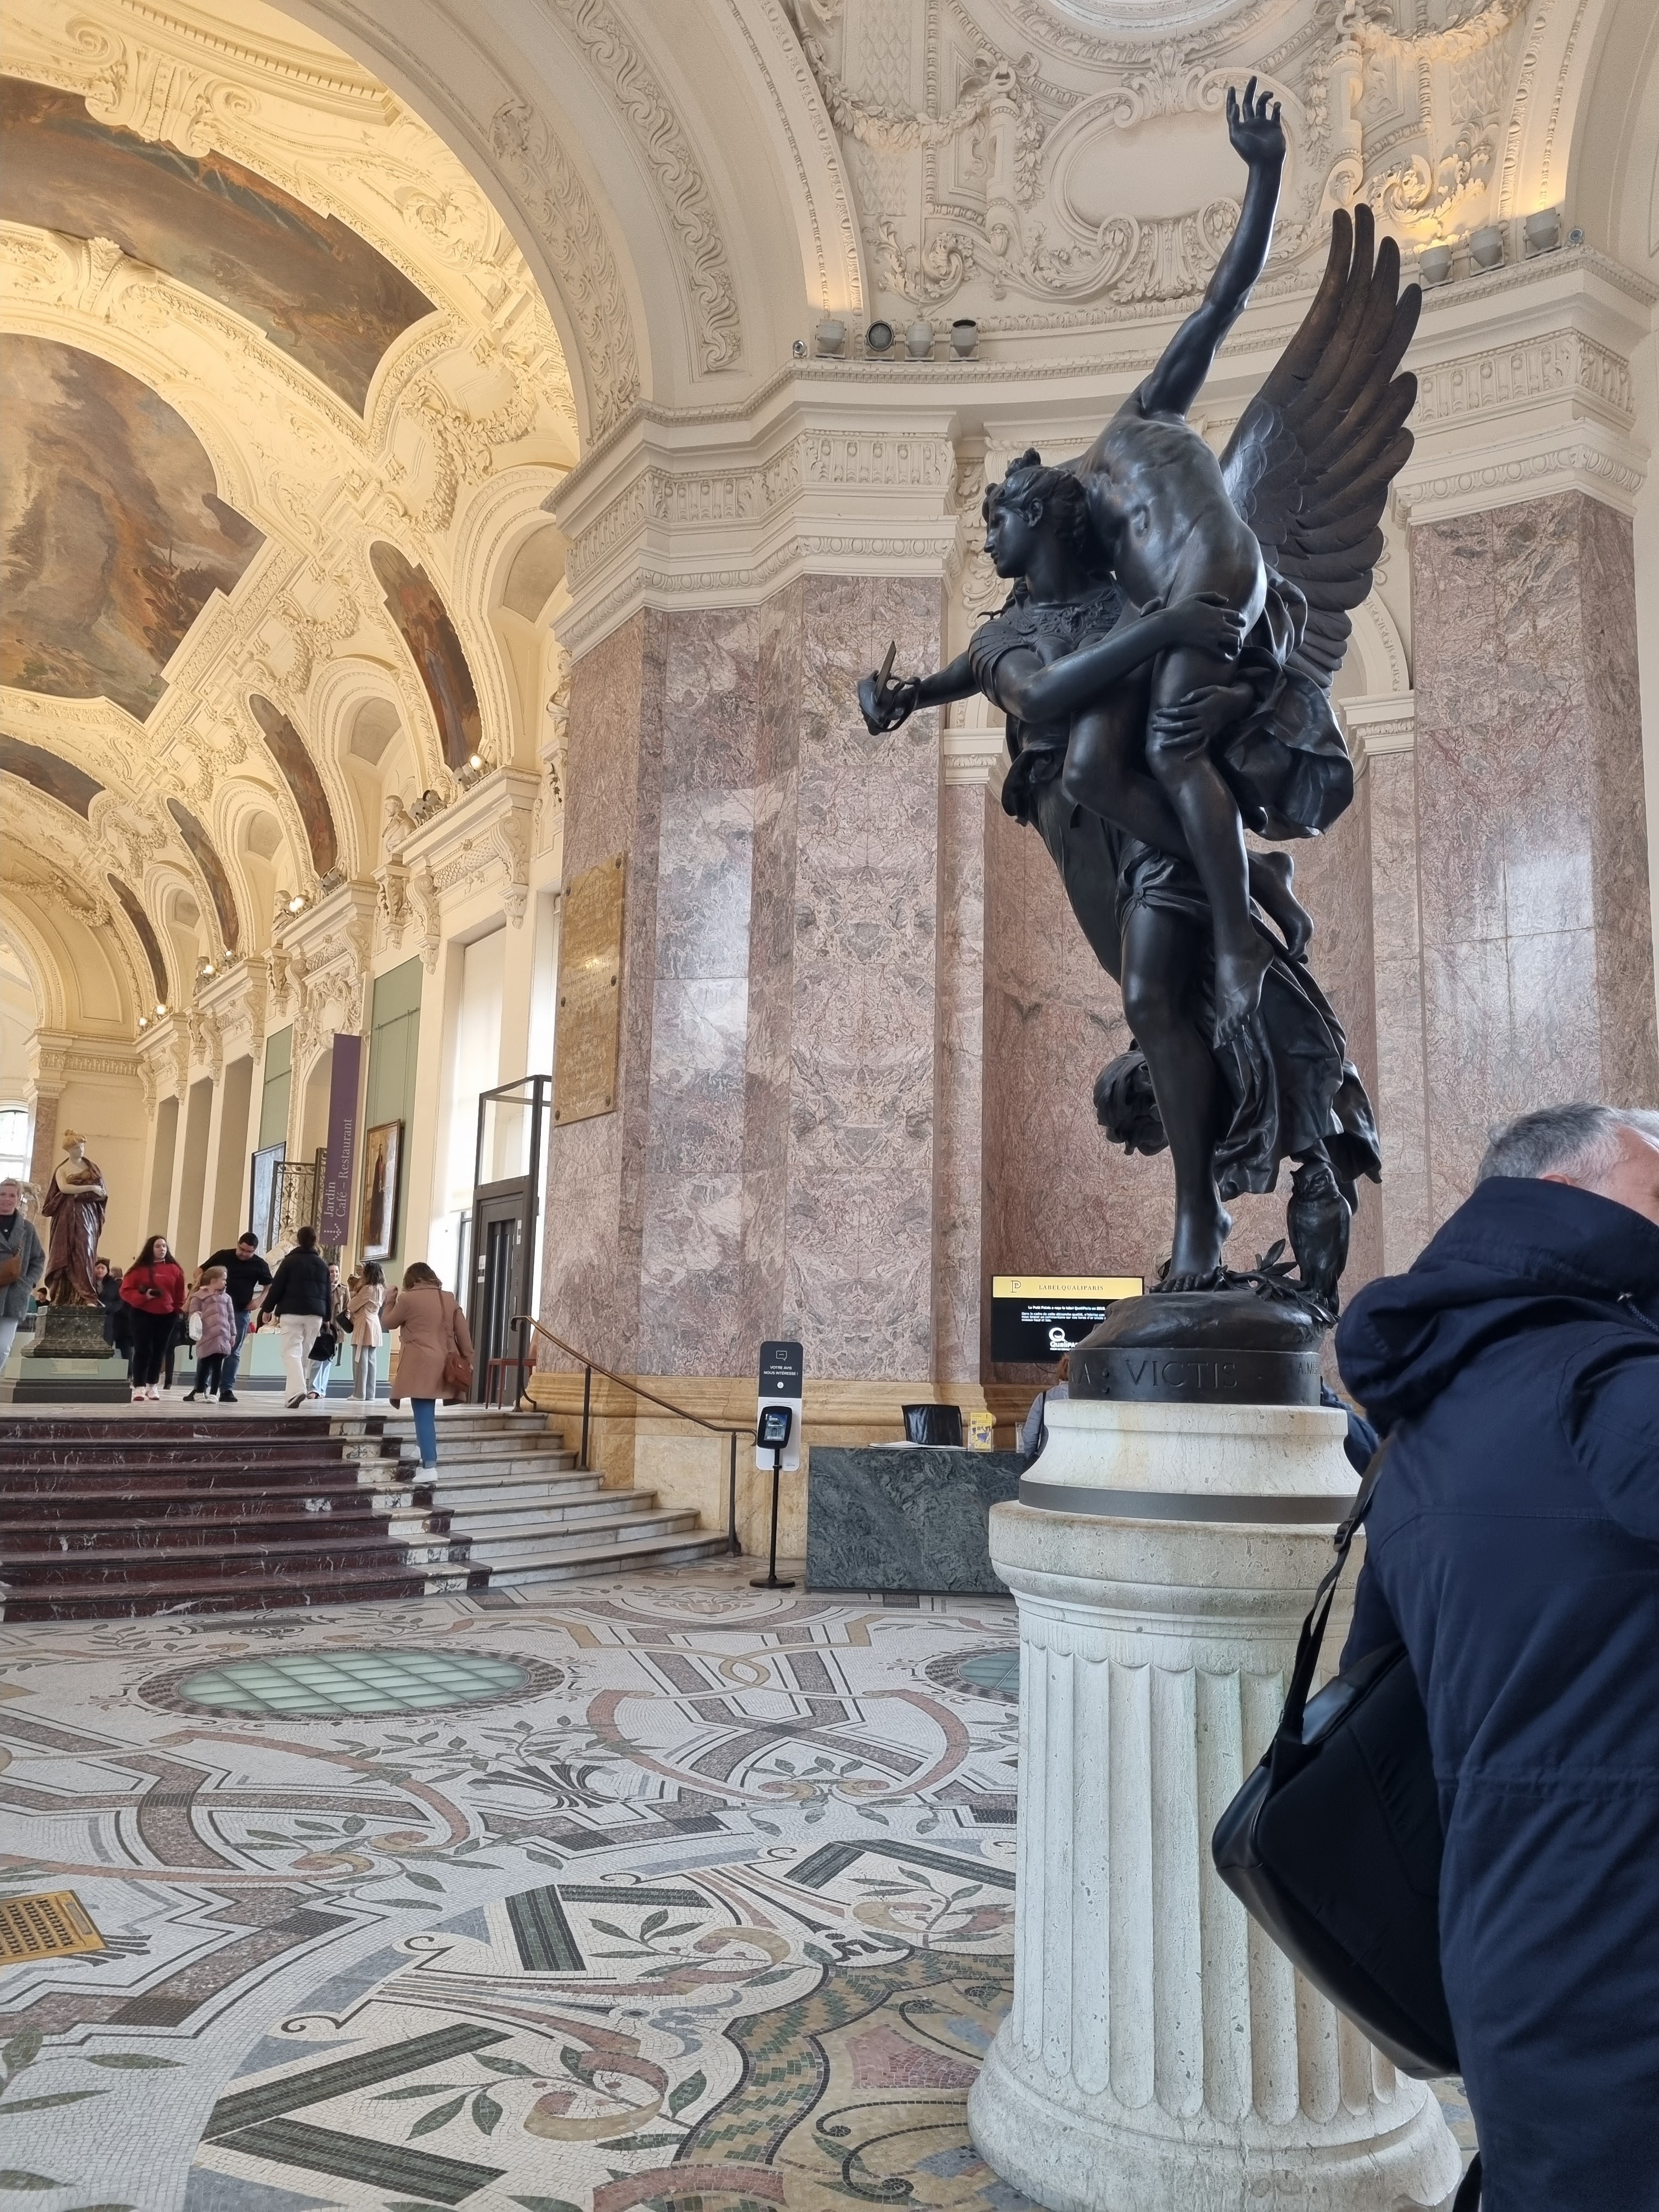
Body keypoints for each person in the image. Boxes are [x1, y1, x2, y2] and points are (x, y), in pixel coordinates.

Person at [1335, 1102, 1659, 2212]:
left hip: (1509, 1941)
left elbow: (1381, 1700)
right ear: (1563, 1196)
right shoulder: (1616, 1390)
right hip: (1629, 1945)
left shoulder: (1416, 1433)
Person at [382, 1260, 473, 1471]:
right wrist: (469, 1362)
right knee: (427, 1411)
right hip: (444, 1363)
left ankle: (430, 1467)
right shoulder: (448, 1298)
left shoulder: (407, 1299)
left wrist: (389, 1300)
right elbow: (464, 1335)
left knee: (423, 1412)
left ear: (410, 1281)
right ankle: (421, 1447)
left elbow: (389, 1323)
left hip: (419, 1363)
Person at [262, 1223, 334, 1408]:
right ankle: (291, 1396)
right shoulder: (322, 1265)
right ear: (315, 1242)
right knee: (303, 1355)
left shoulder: (289, 1262)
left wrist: (267, 1309)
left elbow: (277, 1287)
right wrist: (327, 1317)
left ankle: (297, 1391)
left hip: (292, 1312)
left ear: (298, 1240)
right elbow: (328, 1294)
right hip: (316, 1315)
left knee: (290, 1352)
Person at [201, 1231, 273, 1403]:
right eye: (242, 1249)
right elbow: (200, 1271)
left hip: (240, 1312)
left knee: (233, 1351)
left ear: (255, 1250)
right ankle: (201, 1387)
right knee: (209, 1348)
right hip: (215, 1310)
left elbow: (270, 1284)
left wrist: (259, 1301)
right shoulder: (223, 1256)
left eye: (249, 1252)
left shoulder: (259, 1264)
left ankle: (226, 1389)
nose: (244, 1254)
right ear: (238, 1244)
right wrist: (204, 1289)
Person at [40, 1133, 108, 1305]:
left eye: (82, 1147)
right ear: (69, 1150)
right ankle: (63, 1295)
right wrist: (90, 1187)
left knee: (85, 1250)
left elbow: (101, 1191)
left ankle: (85, 1295)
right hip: (67, 1214)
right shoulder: (62, 1169)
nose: (81, 1150)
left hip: (88, 1214)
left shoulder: (92, 1167)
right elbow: (64, 1188)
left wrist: (88, 1191)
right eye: (77, 1148)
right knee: (65, 1252)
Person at [120, 1234, 187, 1402]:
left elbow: (180, 1294)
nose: (162, 1249)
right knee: (143, 1350)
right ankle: (139, 1387)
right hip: (142, 1314)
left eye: (164, 1246)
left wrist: (177, 1310)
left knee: (159, 1351)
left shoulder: (175, 1269)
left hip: (167, 1316)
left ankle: (152, 1385)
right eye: (158, 1246)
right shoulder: (138, 1270)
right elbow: (125, 1291)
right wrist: (144, 1297)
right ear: (151, 1249)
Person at [0, 1178, 47, 1370]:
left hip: (14, 1295)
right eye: (3, 1194)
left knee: (3, 1348)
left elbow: (38, 1259)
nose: (7, 1199)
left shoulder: (27, 1228)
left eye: (12, 1195)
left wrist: (29, 1283)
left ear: (19, 1199)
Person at [182, 1266, 236, 1403]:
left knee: (218, 1367)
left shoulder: (227, 1298)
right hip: (206, 1336)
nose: (225, 1282)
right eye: (223, 1279)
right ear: (213, 1281)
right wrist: (197, 1316)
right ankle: (200, 1391)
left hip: (222, 1336)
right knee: (204, 1366)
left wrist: (233, 1334)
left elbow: (231, 1317)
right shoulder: (198, 1297)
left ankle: (213, 1393)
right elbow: (193, 1314)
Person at [1018, 1353, 1070, 1456]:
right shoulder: (1090, 1399)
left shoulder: (1044, 1398)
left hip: (1047, 1458)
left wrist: (1032, 1457)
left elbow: (1030, 1435)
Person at [348, 1260, 385, 1401]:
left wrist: (354, 1294)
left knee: (360, 1360)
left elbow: (351, 1306)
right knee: (371, 1361)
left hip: (364, 1323)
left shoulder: (368, 1289)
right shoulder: (381, 1289)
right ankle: (370, 1394)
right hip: (375, 1323)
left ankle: (359, 1394)